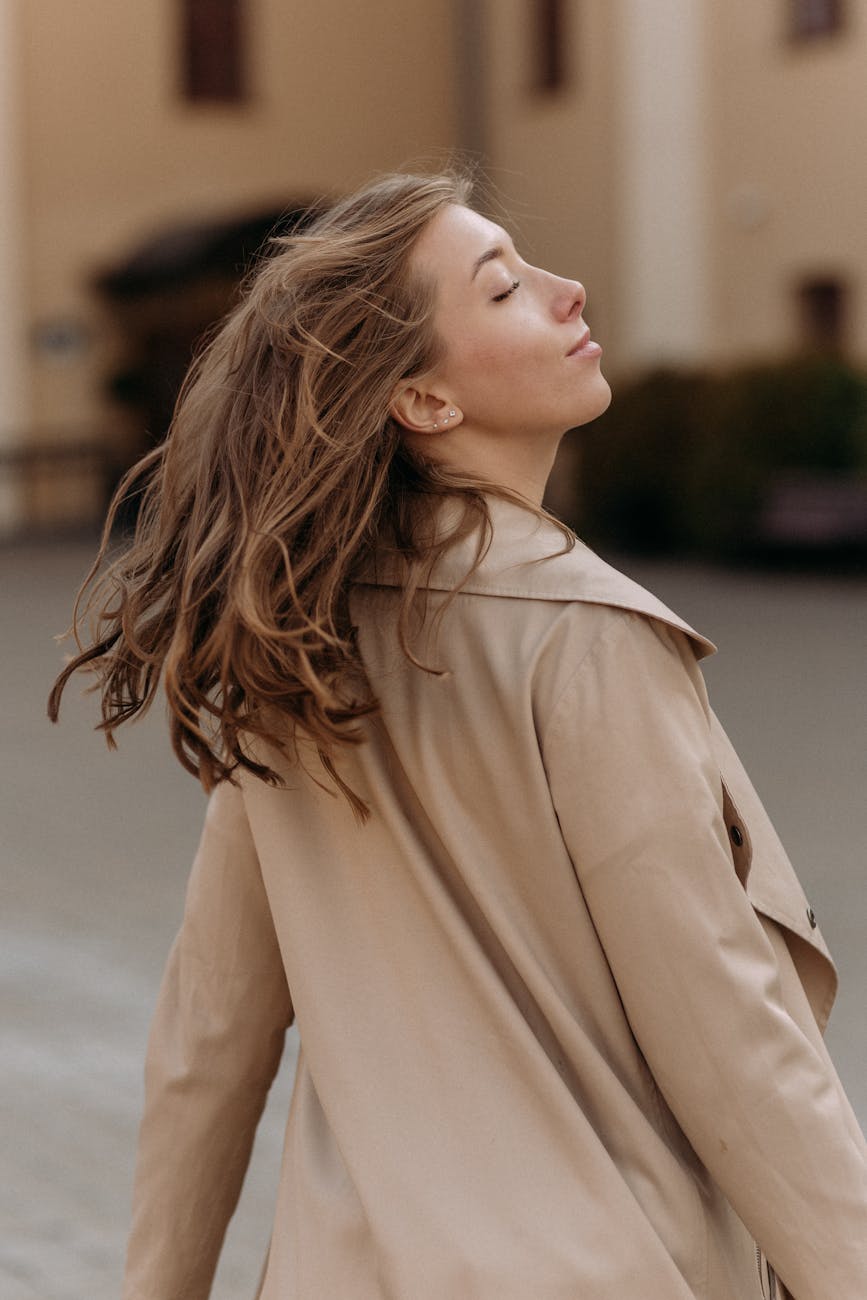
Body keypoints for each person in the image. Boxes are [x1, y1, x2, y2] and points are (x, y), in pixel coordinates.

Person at [49, 170, 867, 1300]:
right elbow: (730, 1036)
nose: (568, 289)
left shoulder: (290, 643)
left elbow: (207, 1042)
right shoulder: (588, 636)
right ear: (424, 400)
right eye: (506, 289)